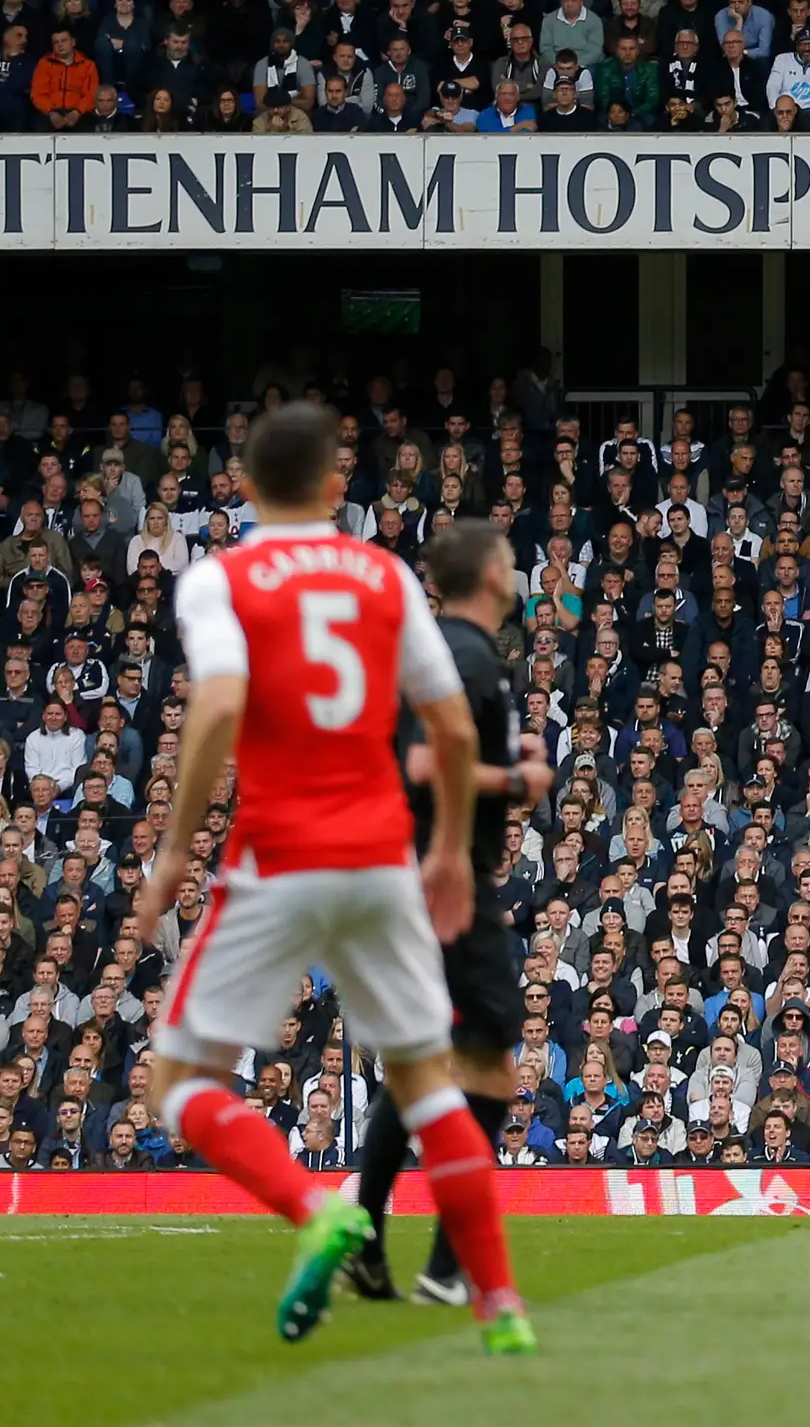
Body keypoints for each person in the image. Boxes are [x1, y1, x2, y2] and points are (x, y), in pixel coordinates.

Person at [120, 400, 533, 1354]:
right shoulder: (387, 577)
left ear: (246, 488)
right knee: (433, 1083)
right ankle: (499, 1302)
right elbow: (455, 728)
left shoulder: (221, 579)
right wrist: (445, 853)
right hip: (385, 860)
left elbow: (220, 702)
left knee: (178, 1082)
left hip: (277, 859)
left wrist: (178, 847)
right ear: (338, 488)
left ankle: (317, 1209)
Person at [343, 521, 551, 1310]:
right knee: (492, 1061)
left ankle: (369, 1238)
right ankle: (446, 1261)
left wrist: (506, 769)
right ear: (493, 572)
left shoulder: (449, 653)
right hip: (446, 875)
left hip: (421, 873)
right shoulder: (463, 655)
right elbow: (425, 762)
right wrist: (515, 784)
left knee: (432, 1057)